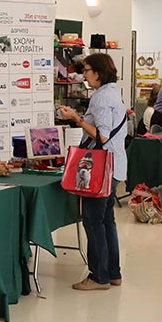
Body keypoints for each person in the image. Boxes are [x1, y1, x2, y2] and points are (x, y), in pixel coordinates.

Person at [58, 53, 127, 291]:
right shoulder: (113, 93)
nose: (84, 74)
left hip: (100, 168)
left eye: (86, 70)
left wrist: (76, 118)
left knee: (93, 221)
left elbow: (102, 135)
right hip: (115, 166)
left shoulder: (101, 98)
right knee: (107, 220)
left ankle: (99, 276)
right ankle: (112, 272)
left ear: (97, 72)